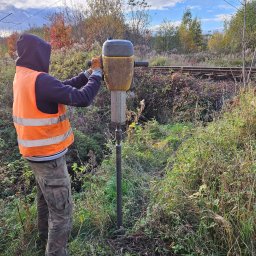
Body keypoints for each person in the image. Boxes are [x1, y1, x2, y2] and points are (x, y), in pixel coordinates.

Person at [12, 33, 103, 256]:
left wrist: (86, 74)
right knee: (62, 212)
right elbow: (82, 98)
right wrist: (98, 75)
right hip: (49, 157)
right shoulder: (40, 80)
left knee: (45, 200)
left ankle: (44, 239)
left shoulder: (24, 76)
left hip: (33, 154)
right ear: (38, 54)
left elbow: (60, 88)